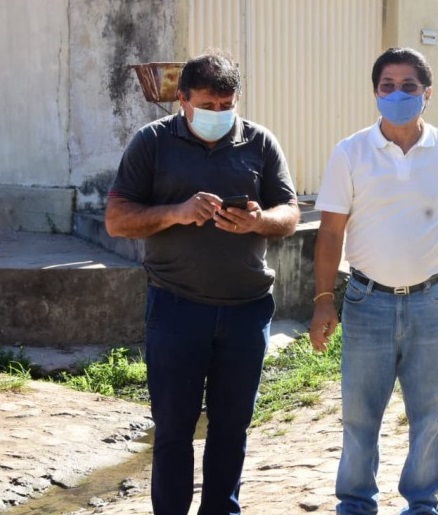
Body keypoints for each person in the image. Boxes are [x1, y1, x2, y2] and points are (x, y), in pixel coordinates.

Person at [309, 47, 438, 514]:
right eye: (388, 87)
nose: (397, 95)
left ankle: (422, 503)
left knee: (431, 412)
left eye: (408, 87)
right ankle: (356, 503)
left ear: (427, 94)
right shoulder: (351, 152)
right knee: (359, 415)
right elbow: (331, 231)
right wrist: (323, 299)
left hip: (433, 303)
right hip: (367, 302)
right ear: (375, 93)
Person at [105, 50, 300, 515]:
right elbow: (116, 219)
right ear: (183, 99)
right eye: (207, 105)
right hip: (176, 308)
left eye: (226, 105)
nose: (218, 113)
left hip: (246, 309)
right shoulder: (152, 142)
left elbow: (290, 213)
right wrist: (176, 211)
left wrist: (259, 220)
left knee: (232, 428)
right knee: (174, 430)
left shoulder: (260, 142)